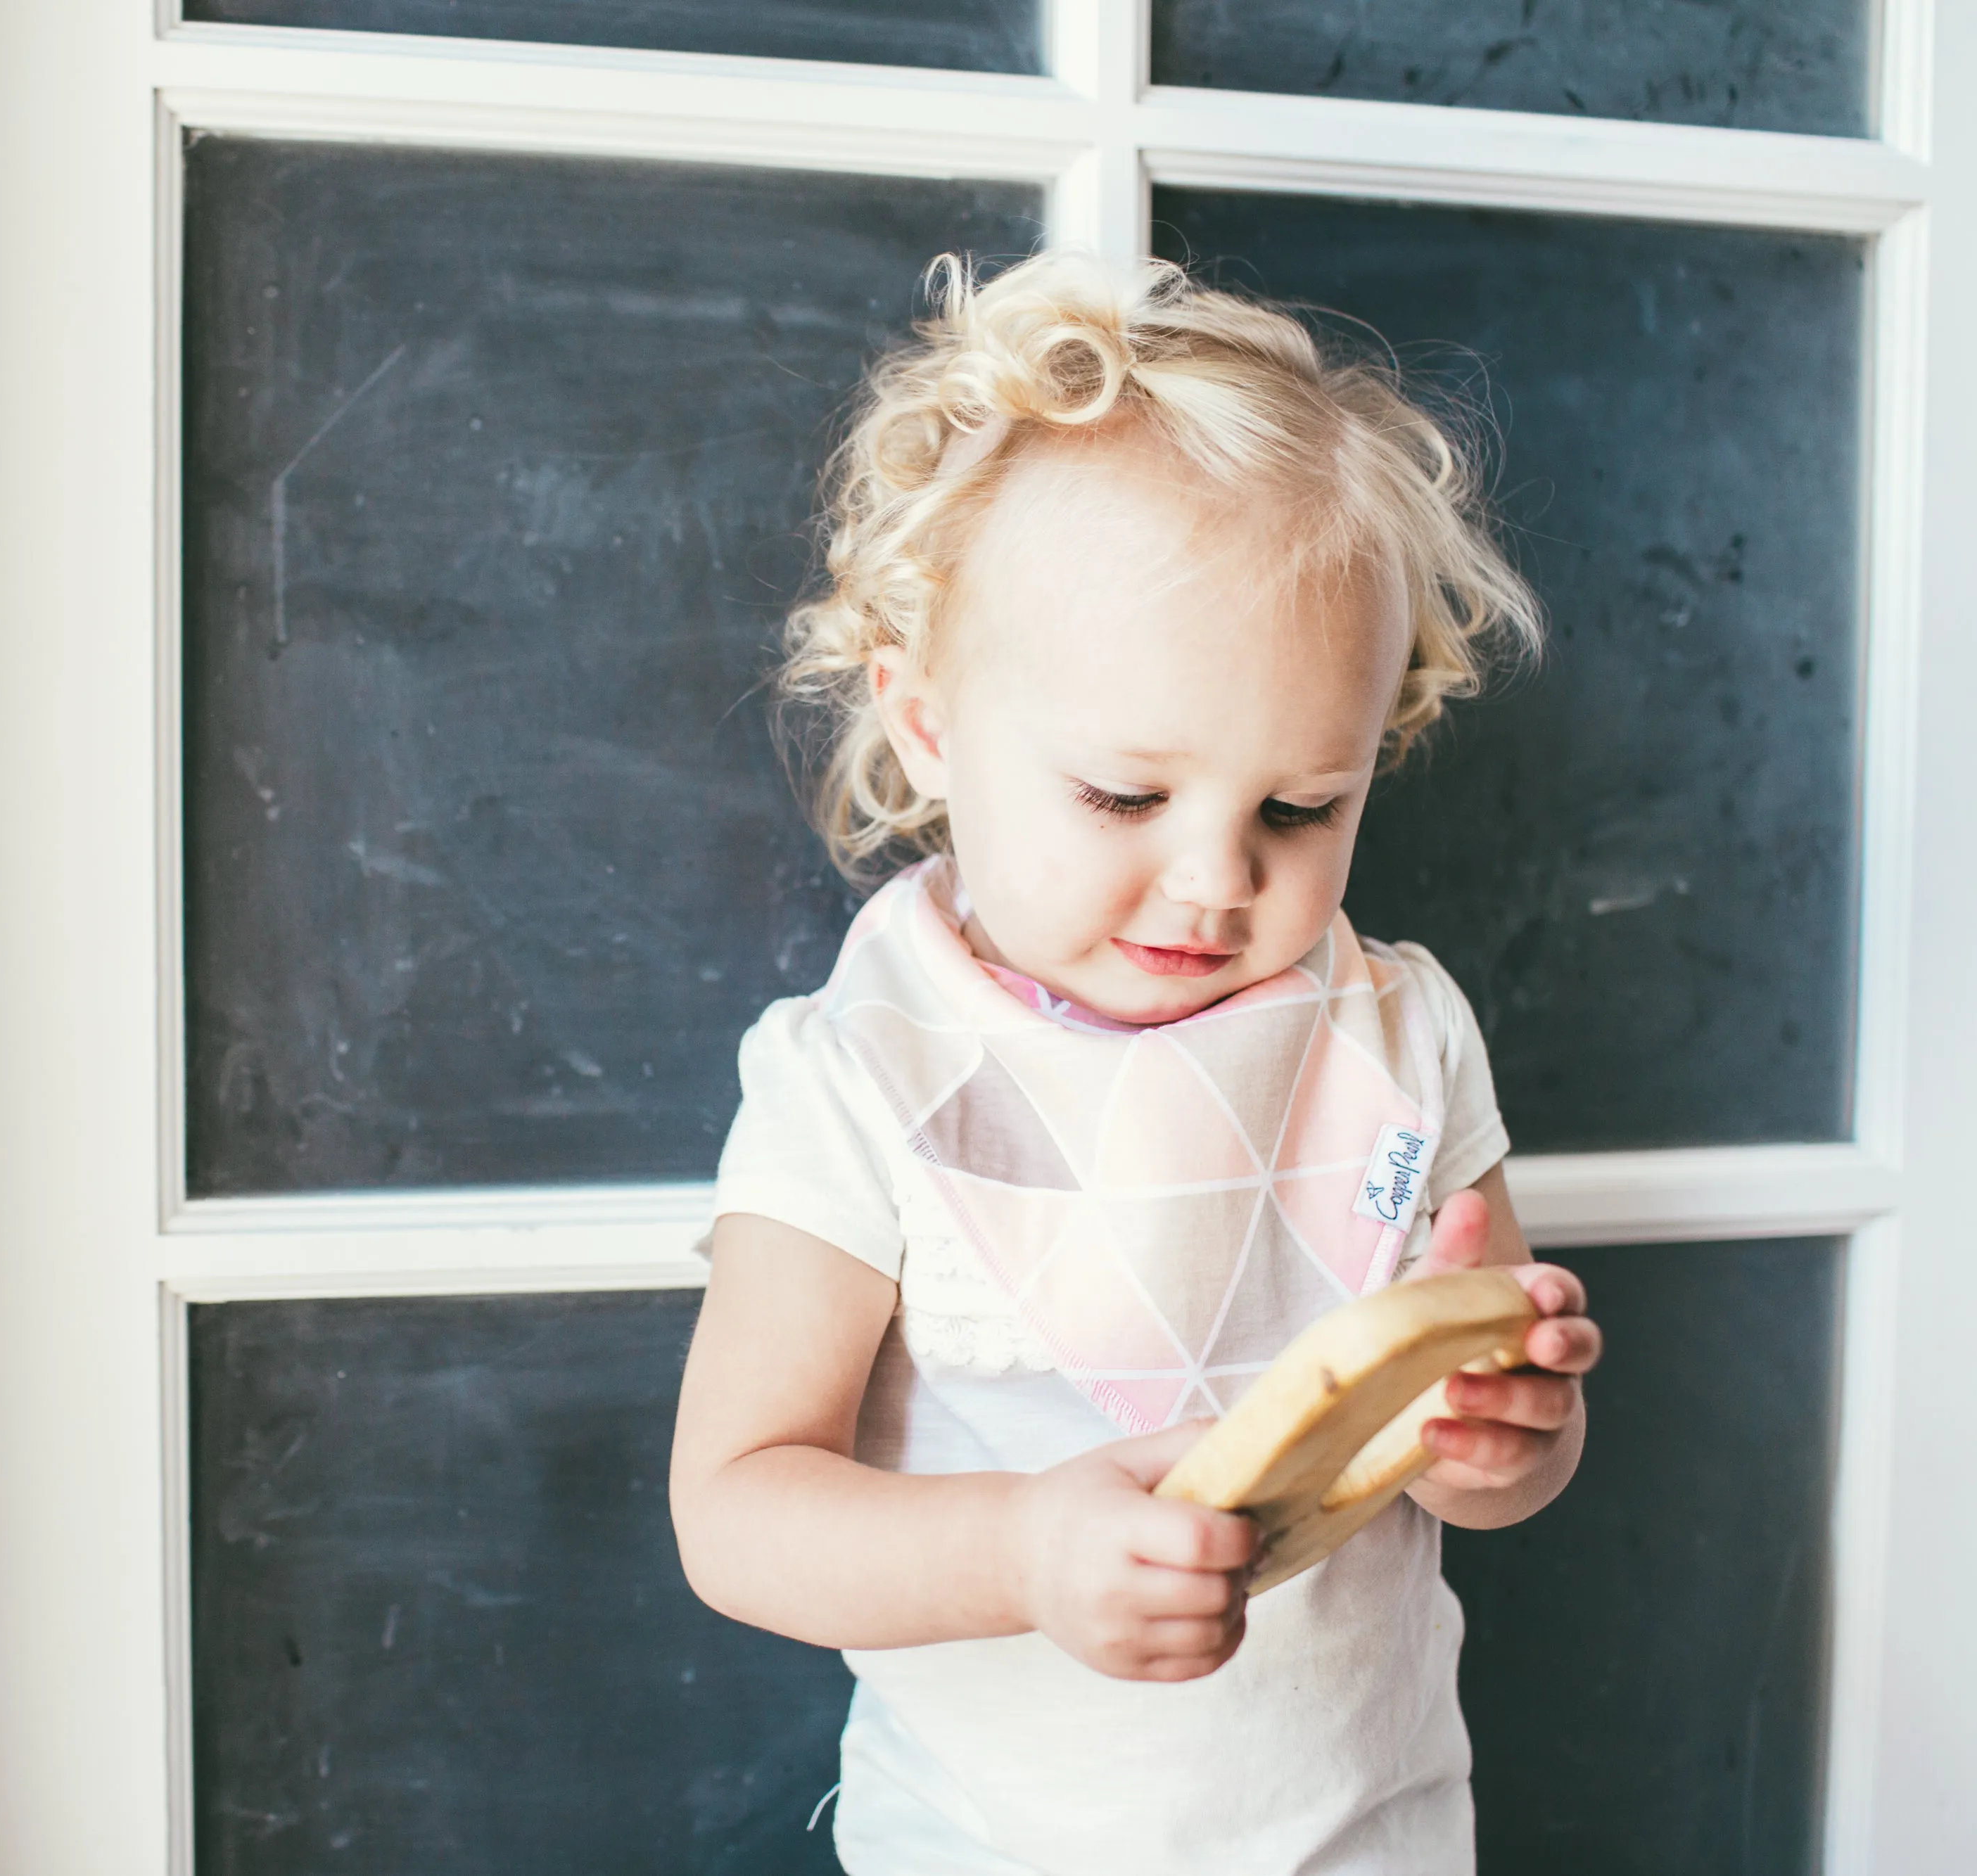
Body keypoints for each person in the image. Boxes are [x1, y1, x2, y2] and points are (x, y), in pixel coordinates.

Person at [667, 252, 1606, 1874]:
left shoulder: (1392, 1035)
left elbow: (1469, 1474)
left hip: (1371, 1835)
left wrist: (1504, 1441)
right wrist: (1026, 1549)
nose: (1213, 878)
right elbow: (736, 1508)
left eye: (1296, 808)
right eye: (1120, 795)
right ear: (925, 722)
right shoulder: (865, 1075)